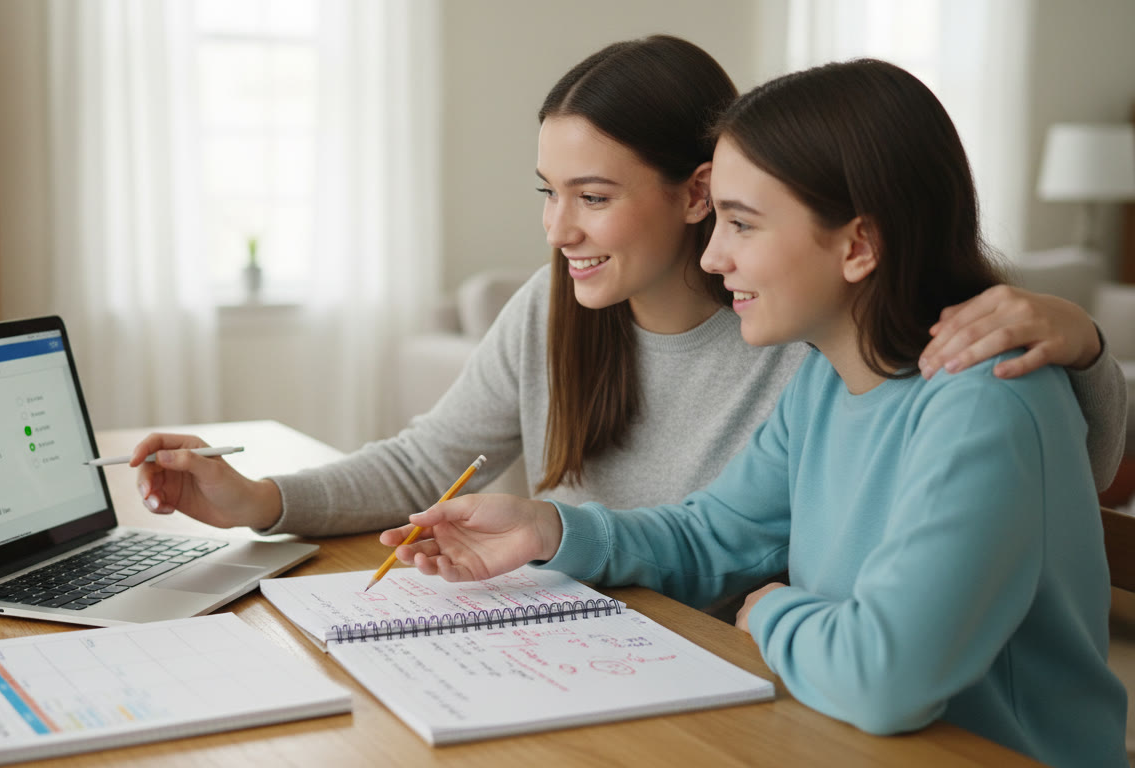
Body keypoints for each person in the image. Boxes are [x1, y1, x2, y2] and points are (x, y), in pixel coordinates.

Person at [381, 59, 1127, 767]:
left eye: (741, 223)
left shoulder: (981, 402)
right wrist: (548, 529)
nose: (710, 258)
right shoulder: (827, 382)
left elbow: (886, 676)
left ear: (859, 244)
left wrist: (772, 613)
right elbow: (714, 535)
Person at [131, 35, 1125, 549]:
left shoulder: (806, 322)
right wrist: (259, 499)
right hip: (603, 644)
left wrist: (1081, 340)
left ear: (699, 192)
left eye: (593, 197)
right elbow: (430, 464)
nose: (559, 231)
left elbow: (1059, 469)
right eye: (548, 195)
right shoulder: (555, 308)